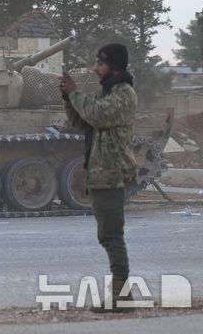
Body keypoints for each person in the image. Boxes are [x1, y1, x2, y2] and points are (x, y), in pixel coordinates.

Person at [59, 44, 137, 313]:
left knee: (111, 235)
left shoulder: (124, 94)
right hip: (101, 173)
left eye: (100, 64)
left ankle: (122, 297)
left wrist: (75, 93)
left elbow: (98, 115)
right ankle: (122, 295)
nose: (96, 69)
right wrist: (68, 99)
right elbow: (82, 122)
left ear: (113, 66)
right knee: (108, 235)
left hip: (111, 173)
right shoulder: (107, 92)